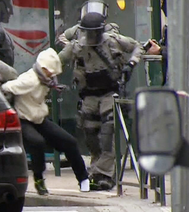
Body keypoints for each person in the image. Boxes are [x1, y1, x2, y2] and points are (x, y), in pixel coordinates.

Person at [58, 12, 143, 190]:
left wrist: (131, 64)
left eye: (95, 32)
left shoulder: (113, 40)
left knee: (107, 133)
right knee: (90, 133)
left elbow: (137, 47)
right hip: (88, 95)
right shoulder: (77, 46)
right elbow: (58, 60)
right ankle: (97, 168)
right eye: (89, 32)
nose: (92, 36)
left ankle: (104, 174)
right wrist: (44, 75)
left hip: (108, 93)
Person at [1, 48, 90, 195]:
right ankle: (38, 179)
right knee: (37, 142)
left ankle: (83, 179)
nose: (53, 76)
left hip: (39, 119)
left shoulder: (46, 80)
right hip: (23, 119)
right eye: (51, 72)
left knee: (69, 142)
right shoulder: (29, 80)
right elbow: (7, 87)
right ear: (43, 69)